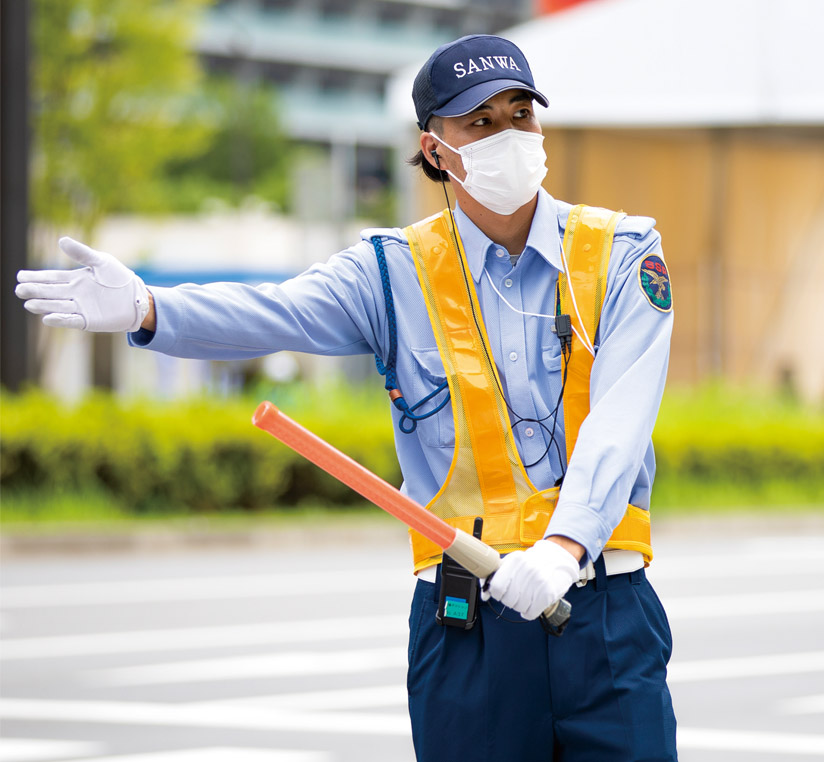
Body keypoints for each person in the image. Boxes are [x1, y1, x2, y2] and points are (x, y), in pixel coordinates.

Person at [16, 34, 677, 762]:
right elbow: (275, 311)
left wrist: (563, 546)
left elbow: (621, 419)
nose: (509, 136)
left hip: (603, 609)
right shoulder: (390, 272)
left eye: (521, 115)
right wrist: (148, 307)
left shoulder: (621, 253)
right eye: (480, 123)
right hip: (469, 626)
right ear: (435, 151)